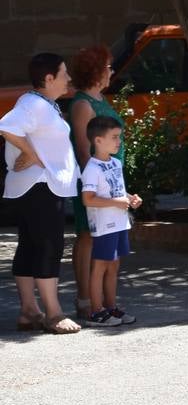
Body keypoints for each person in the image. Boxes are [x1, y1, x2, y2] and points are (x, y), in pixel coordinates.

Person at [1, 53, 81, 334]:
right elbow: (6, 126)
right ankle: (53, 313)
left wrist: (30, 153)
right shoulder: (34, 104)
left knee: (31, 245)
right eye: (63, 74)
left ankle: (29, 311)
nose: (68, 79)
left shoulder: (42, 104)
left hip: (36, 185)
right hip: (40, 186)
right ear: (48, 79)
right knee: (49, 245)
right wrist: (31, 154)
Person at [66, 44, 123, 319]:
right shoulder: (82, 104)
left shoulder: (99, 98)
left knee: (106, 238)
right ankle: (85, 298)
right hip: (94, 183)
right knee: (87, 236)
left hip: (111, 180)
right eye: (107, 67)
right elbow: (82, 148)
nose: (111, 71)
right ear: (96, 71)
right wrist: (99, 185)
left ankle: (102, 299)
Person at [80, 115, 142, 326]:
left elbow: (118, 191)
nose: (119, 142)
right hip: (104, 225)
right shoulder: (92, 168)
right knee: (100, 267)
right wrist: (117, 202)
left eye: (120, 137)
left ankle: (110, 308)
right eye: (114, 137)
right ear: (98, 140)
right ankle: (96, 311)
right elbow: (87, 199)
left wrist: (130, 198)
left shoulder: (115, 163)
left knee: (113, 267)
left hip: (119, 222)